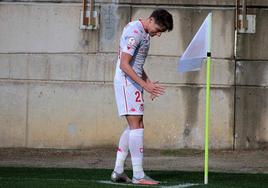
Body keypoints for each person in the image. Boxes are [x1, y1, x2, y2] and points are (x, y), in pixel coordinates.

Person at [111, 8, 173, 185]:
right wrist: (144, 84)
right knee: (136, 125)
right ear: (151, 20)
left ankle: (118, 171)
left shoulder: (145, 34)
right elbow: (124, 64)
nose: (158, 35)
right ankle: (138, 175)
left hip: (134, 82)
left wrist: (148, 82)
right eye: (158, 30)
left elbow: (136, 64)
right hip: (126, 82)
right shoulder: (135, 31)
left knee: (135, 125)